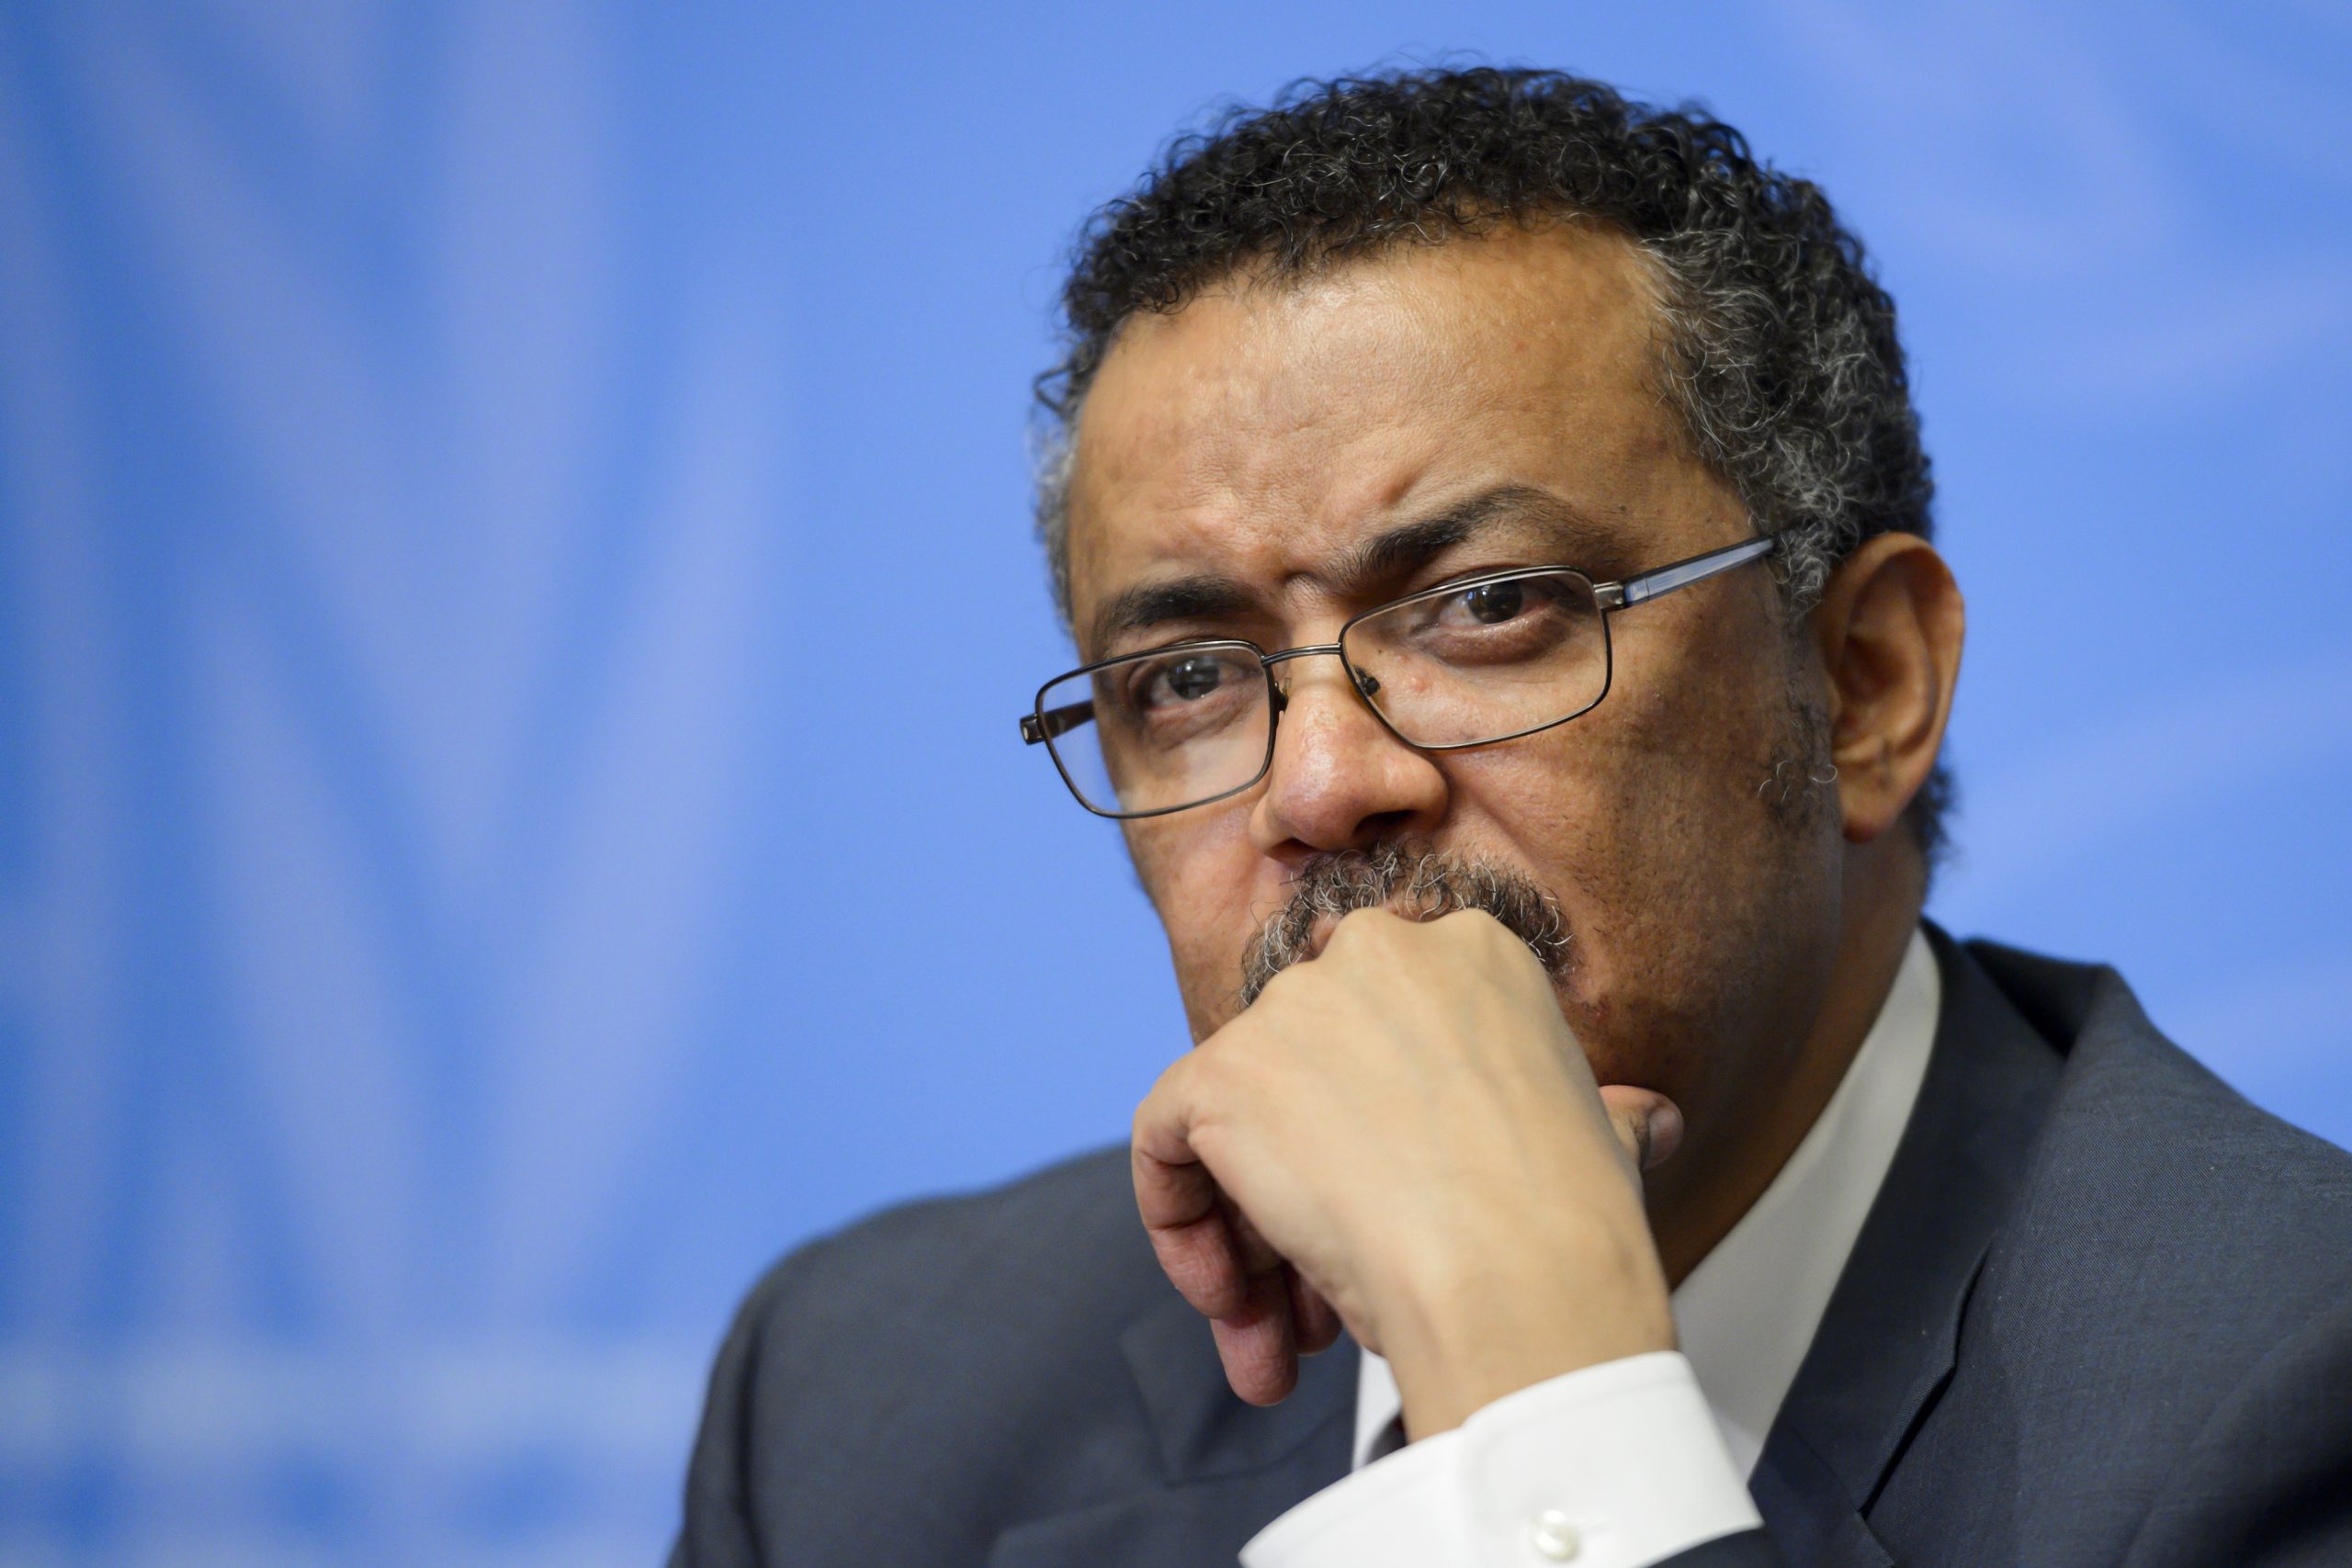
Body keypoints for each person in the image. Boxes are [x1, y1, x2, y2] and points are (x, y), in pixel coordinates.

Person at [670, 68, 2352, 1567]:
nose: (1324, 785)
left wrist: (1547, 1388)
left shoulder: (2282, 1382)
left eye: (1483, 608)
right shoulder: (860, 1406)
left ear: (1864, 683)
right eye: (1187, 681)